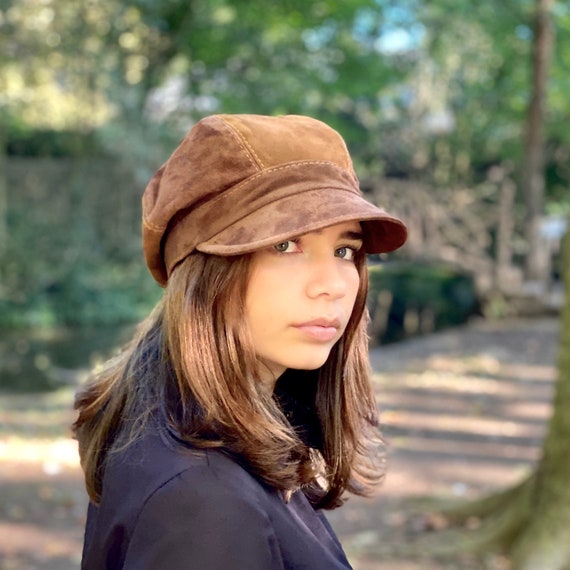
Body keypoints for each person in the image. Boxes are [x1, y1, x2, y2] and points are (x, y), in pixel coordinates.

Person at [73, 113, 407, 569]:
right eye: (286, 245)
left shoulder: (184, 420)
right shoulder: (202, 501)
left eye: (344, 250)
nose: (331, 284)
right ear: (205, 272)